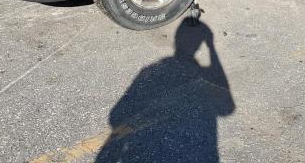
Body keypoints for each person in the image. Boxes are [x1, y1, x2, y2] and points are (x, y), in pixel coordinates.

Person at [95, 20, 235, 163]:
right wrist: (212, 48)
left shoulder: (153, 68)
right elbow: (227, 108)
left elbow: (116, 114)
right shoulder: (159, 68)